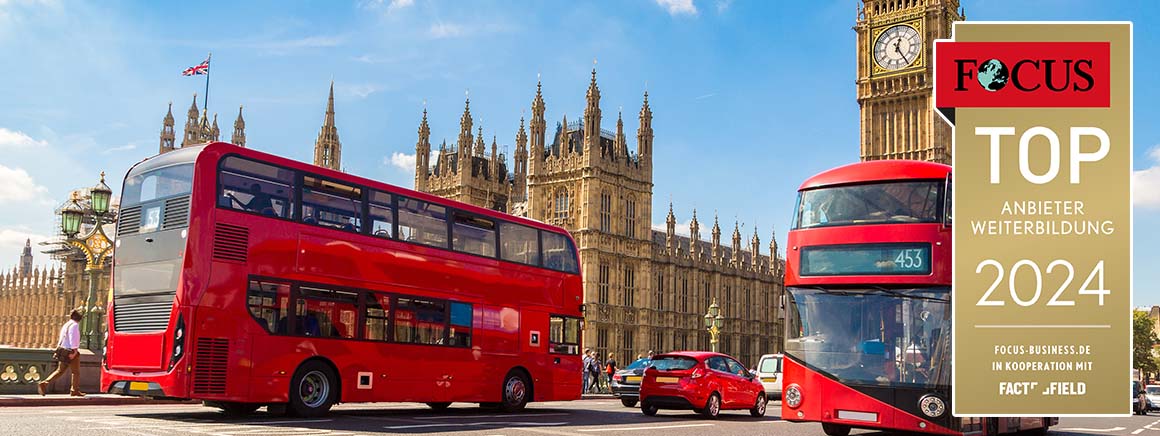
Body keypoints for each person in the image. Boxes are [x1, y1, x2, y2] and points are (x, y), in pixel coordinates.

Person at [38, 310, 83, 396]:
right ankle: (74, 390)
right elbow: (73, 338)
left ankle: (45, 383)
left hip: (63, 350)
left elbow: (62, 338)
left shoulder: (66, 324)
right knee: (75, 372)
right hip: (70, 351)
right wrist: (74, 351)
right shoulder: (74, 325)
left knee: (60, 371)